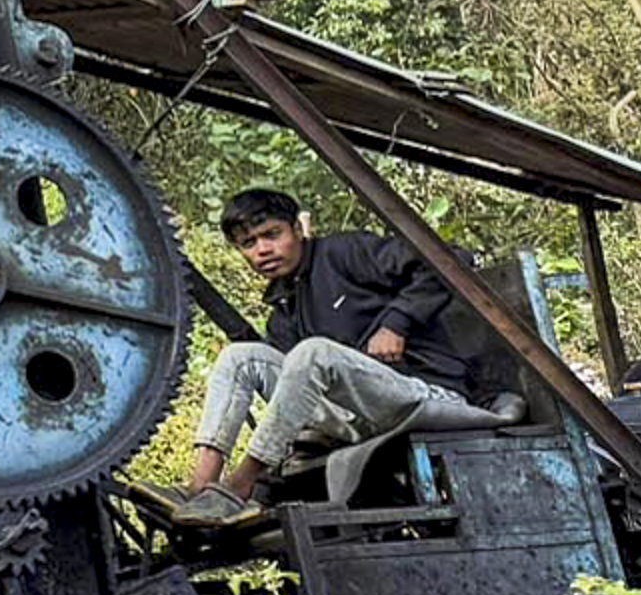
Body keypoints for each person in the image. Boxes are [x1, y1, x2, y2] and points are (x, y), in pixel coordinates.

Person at [169, 189, 512, 526]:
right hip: (356, 418)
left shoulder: (344, 252)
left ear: (298, 230)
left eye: (272, 235)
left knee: (313, 352)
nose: (263, 250)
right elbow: (297, 400)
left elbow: (451, 259)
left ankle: (238, 484)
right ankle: (201, 486)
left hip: (426, 394)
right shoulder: (282, 311)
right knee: (239, 357)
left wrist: (397, 323)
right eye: (249, 244)